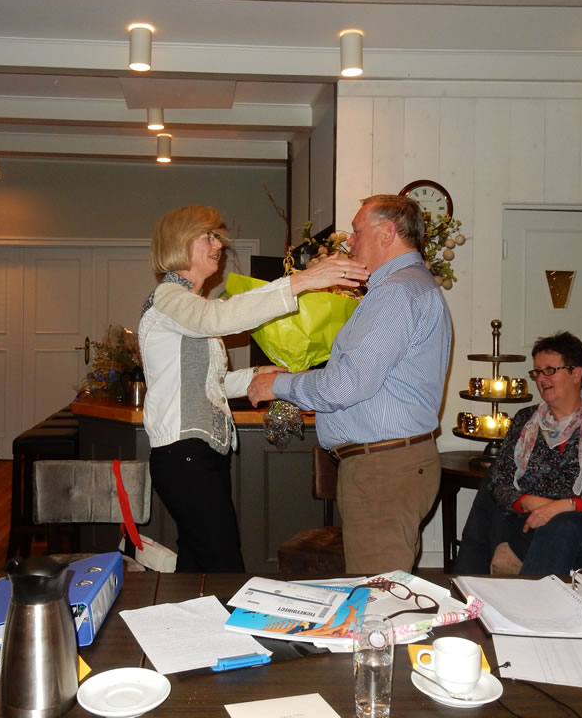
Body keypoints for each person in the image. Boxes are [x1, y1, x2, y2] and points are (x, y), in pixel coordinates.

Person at [139, 204, 368, 572]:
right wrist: (300, 281)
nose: (219, 244)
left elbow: (207, 383)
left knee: (199, 566)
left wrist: (257, 375)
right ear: (179, 242)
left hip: (201, 453)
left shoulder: (190, 305)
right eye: (208, 236)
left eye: (218, 236)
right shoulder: (169, 298)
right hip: (183, 453)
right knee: (222, 565)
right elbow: (219, 317)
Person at [248, 194, 452, 574]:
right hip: (392, 464)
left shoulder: (396, 293)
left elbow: (346, 385)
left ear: (387, 233)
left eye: (357, 231)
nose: (350, 241)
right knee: (386, 586)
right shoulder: (411, 287)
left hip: (383, 469)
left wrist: (276, 385)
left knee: (376, 593)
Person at [455, 332, 582, 575]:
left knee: (563, 527)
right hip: (530, 525)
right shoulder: (525, 420)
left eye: (550, 370)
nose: (541, 378)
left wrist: (564, 506)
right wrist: (531, 503)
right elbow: (500, 482)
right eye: (537, 372)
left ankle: (532, 597)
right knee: (516, 524)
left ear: (576, 373)